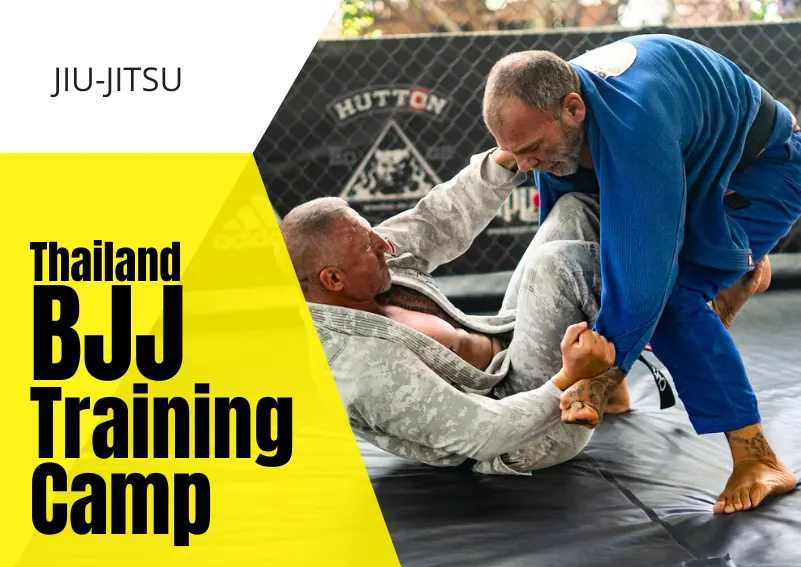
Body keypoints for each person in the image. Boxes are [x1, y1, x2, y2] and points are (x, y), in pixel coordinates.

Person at [280, 148, 759, 476]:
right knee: (560, 266)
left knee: (573, 208)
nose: (384, 243)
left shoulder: (362, 269)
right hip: (526, 436)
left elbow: (434, 222)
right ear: (332, 281)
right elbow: (484, 433)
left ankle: (614, 385)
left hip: (510, 352)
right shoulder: (357, 366)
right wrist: (567, 378)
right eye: (369, 245)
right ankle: (698, 301)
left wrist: (504, 158)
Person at [482, 33, 800, 512]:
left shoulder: (633, 119)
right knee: (586, 226)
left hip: (763, 170)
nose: (524, 165)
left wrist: (604, 372)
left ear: (573, 108)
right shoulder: (552, 113)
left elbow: (646, 273)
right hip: (692, 165)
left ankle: (759, 457)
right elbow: (568, 227)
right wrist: (601, 356)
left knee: (674, 297)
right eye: (514, 152)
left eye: (529, 149)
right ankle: (731, 262)